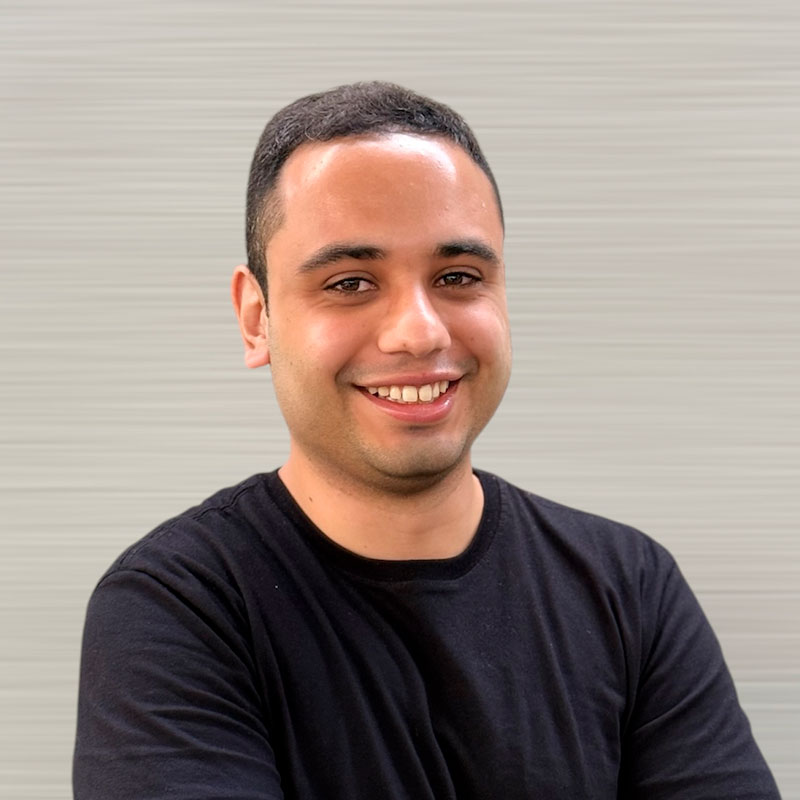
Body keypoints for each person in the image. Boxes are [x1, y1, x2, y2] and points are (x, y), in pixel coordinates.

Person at [73, 82, 780, 799]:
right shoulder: (177, 609)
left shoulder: (629, 589)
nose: (419, 332)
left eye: (458, 277)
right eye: (351, 283)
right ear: (257, 319)